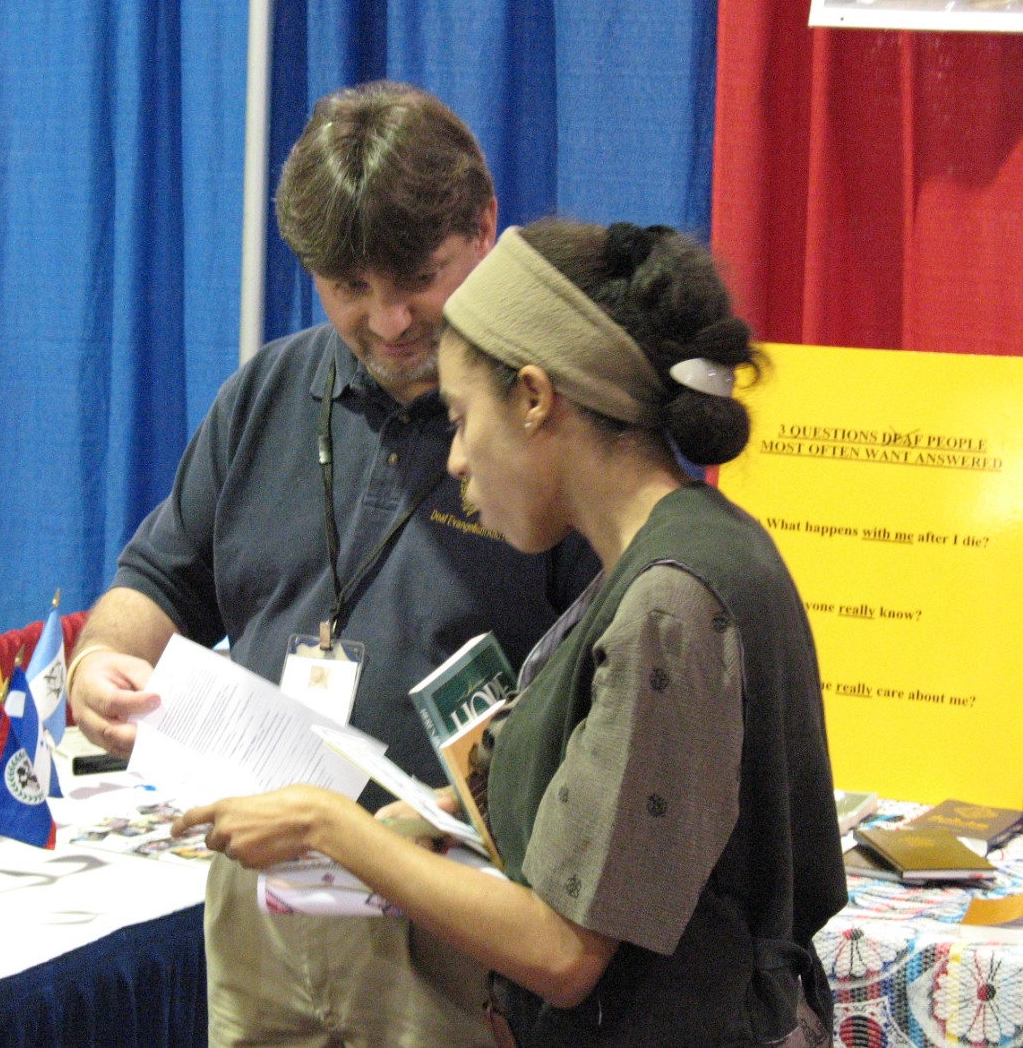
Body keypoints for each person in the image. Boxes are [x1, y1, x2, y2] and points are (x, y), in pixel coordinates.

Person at [174, 217, 848, 1047]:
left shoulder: (669, 601)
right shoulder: (685, 551)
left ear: (534, 397)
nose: (455, 459)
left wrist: (327, 824)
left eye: (460, 418)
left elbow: (563, 950)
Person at [67, 82, 598, 1047]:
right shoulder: (267, 391)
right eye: (350, 287)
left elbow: (610, 689)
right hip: (259, 906)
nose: (390, 321)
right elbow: (155, 579)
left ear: (484, 229)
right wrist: (99, 662)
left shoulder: (550, 416)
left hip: (454, 911)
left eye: (418, 281)